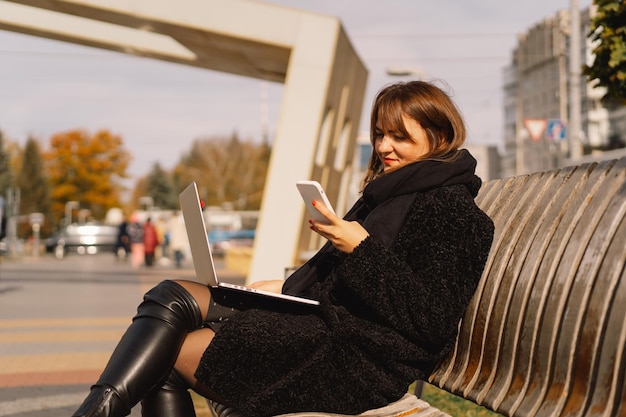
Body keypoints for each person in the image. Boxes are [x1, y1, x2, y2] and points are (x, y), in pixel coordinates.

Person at [71, 80, 495, 417]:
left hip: (360, 361)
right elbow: (343, 282)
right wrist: (286, 287)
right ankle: (98, 410)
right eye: (381, 134)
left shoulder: (455, 213)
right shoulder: (389, 194)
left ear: (438, 136)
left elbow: (431, 321)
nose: (384, 147)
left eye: (399, 137)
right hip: (328, 328)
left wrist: (360, 249)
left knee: (168, 354)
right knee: (173, 294)